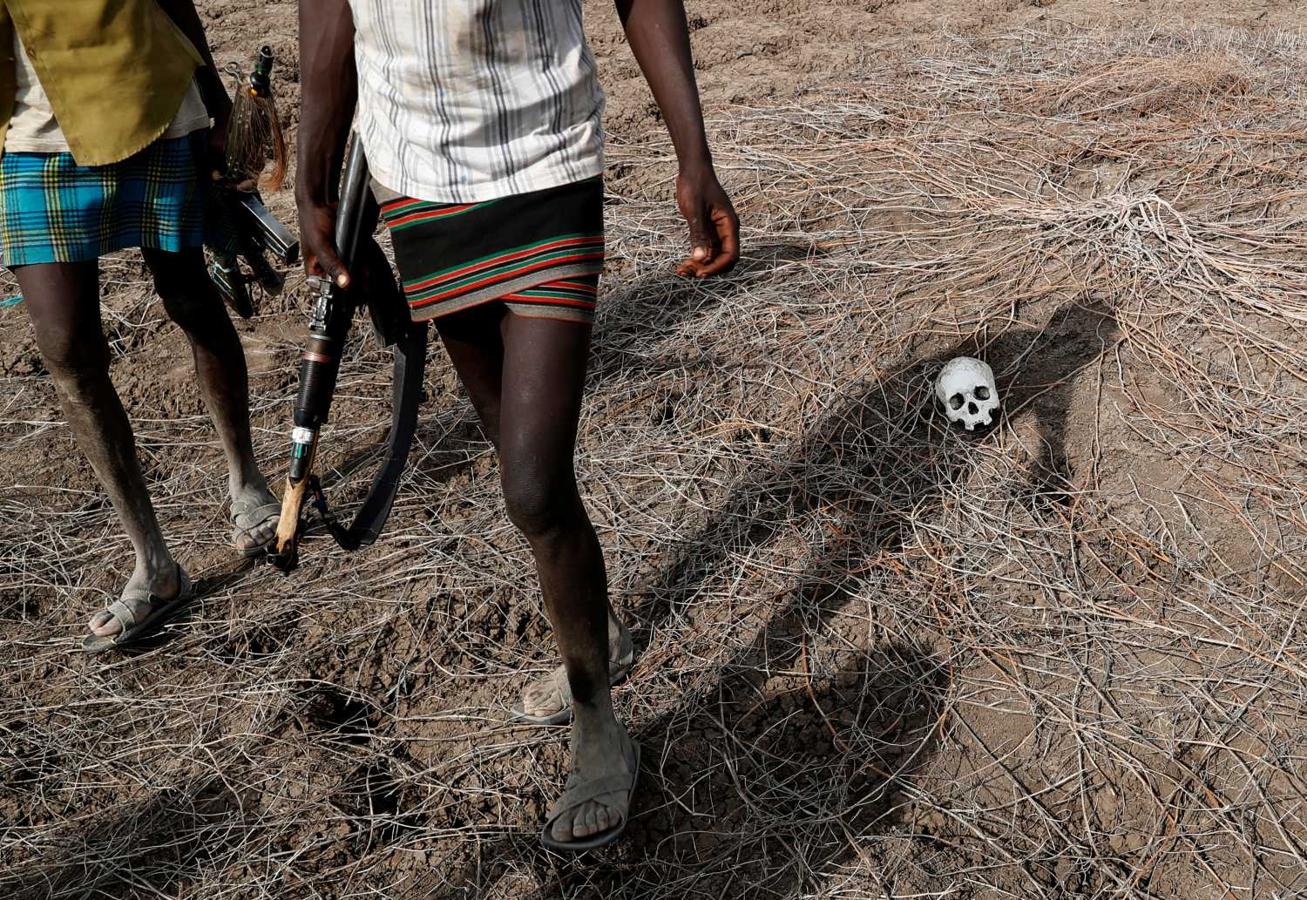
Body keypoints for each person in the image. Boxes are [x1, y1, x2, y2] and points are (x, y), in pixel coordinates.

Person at [297, 0, 739, 851]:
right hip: (417, 174)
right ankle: (597, 625)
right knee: (520, 460)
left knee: (530, 484)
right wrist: (314, 184)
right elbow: (328, 17)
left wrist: (695, 156)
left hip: (544, 155)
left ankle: (596, 721)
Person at [0, 1, 282, 652]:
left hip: (149, 102)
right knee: (66, 347)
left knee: (190, 299)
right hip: (29, 135)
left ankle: (248, 483)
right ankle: (152, 564)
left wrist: (219, 107)